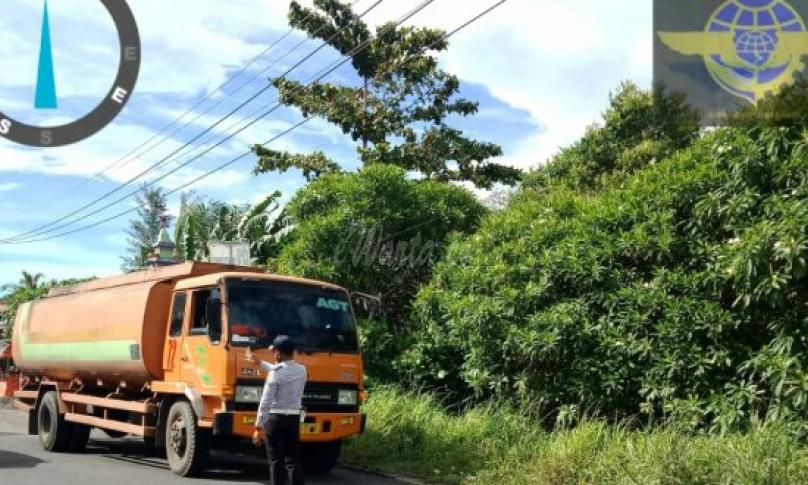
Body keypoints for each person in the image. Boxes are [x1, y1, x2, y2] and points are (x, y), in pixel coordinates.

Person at [246, 335, 307, 485]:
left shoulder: (275, 373)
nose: (273, 354)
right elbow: (280, 370)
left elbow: (265, 402)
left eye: (274, 352)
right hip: (293, 420)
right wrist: (260, 363)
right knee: (293, 460)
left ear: (279, 353)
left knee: (276, 461)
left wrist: (257, 427)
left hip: (275, 421)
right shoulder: (302, 370)